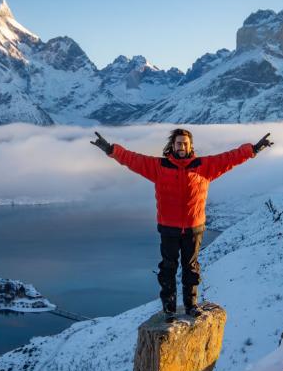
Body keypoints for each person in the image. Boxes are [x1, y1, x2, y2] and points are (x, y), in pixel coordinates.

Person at [91, 129, 273, 319]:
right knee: (168, 268)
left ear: (190, 146)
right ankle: (169, 308)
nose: (182, 147)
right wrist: (111, 150)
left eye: (185, 143)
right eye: (179, 143)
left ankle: (191, 306)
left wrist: (252, 149)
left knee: (191, 267)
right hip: (169, 227)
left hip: (194, 228)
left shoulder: (203, 166)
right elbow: (133, 159)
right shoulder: (159, 166)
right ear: (173, 145)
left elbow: (229, 158)